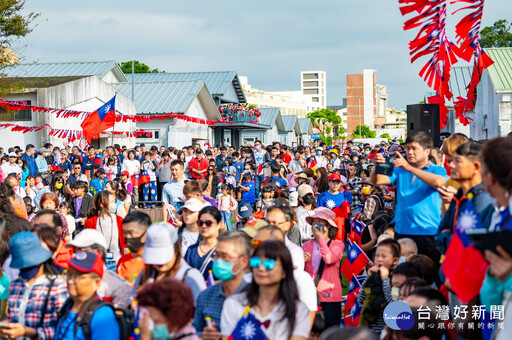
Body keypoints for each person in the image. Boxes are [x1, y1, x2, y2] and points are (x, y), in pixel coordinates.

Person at [371, 131, 447, 265]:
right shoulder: (399, 168)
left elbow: (438, 182)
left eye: (414, 148)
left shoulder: (437, 169)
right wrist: (376, 166)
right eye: (407, 148)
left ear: (427, 151)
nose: (410, 152)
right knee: (405, 274)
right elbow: (377, 180)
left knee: (430, 274)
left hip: (428, 231)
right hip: (403, 231)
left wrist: (409, 168)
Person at [220, 241, 310, 339]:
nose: (261, 268)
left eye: (269, 264)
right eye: (256, 262)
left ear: (284, 271)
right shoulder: (234, 304)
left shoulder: (298, 310)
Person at [0, 231, 68, 339]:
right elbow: (12, 318)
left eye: (28, 263)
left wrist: (28, 332)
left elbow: (62, 330)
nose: (24, 268)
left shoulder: (57, 286)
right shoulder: (15, 286)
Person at [437, 142, 494, 254]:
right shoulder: (458, 196)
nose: (451, 165)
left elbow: (469, 246)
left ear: (476, 167)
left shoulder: (483, 199)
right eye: (451, 161)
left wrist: (449, 237)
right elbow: (440, 237)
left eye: (457, 161)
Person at [193, 231, 250, 339]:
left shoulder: (255, 297)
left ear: (244, 261)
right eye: (216, 255)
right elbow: (194, 331)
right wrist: (202, 335)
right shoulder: (205, 296)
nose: (218, 261)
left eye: (225, 256)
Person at [54, 251, 120, 340]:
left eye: (79, 276)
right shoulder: (67, 305)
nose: (70, 281)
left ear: (97, 282)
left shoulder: (102, 315)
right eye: (69, 274)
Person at [134, 222, 206, 303]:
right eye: (154, 256)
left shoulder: (191, 277)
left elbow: (201, 310)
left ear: (175, 250)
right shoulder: (144, 275)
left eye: (162, 256)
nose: (158, 262)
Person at [66, 229, 131, 308]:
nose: (76, 255)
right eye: (75, 251)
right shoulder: (68, 281)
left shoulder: (118, 286)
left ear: (99, 252)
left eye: (81, 251)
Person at [302, 208, 344, 329]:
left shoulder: (338, 245)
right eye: (315, 222)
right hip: (310, 294)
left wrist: (321, 239)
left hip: (329, 295)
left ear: (329, 226)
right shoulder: (306, 245)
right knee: (312, 331)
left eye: (321, 223)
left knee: (330, 331)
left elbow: (329, 259)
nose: (317, 226)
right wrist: (301, 259)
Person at [356, 238, 400, 333]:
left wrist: (385, 279)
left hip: (387, 330)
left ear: (395, 260)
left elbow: (392, 301)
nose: (379, 259)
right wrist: (369, 278)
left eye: (384, 256)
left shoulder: (396, 279)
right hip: (369, 328)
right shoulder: (373, 277)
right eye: (377, 256)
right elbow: (360, 299)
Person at [84, 190, 126, 269]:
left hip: (117, 262)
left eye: (114, 201)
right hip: (98, 264)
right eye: (111, 201)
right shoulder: (91, 222)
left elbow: (125, 242)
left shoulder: (119, 220)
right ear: (102, 205)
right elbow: (86, 244)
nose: (114, 204)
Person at [185, 206, 223, 281]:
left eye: (208, 223)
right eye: (200, 223)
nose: (203, 226)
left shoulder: (225, 249)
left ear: (219, 224)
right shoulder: (191, 250)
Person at [266, 205, 304, 269]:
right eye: (267, 222)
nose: (270, 226)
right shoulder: (259, 245)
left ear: (287, 225)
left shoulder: (294, 252)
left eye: (274, 223)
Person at [117, 211, 150, 285]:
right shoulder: (122, 261)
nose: (127, 237)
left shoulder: (157, 263)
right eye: (124, 233)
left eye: (131, 233)